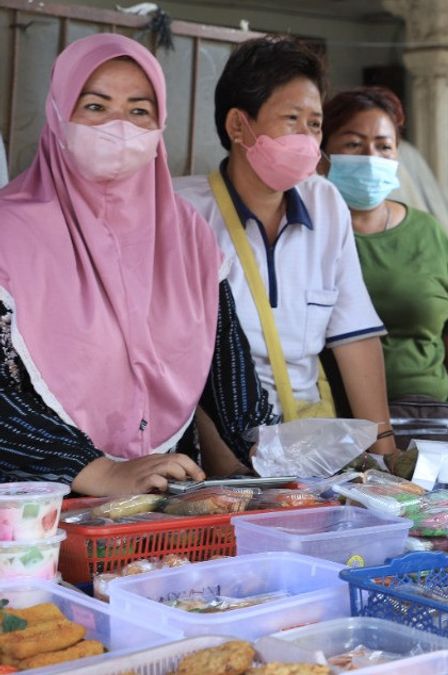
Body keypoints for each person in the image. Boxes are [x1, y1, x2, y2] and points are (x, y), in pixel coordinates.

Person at [0, 34, 272, 494]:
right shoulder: (9, 231)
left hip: (164, 504)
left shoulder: (187, 236)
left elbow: (229, 381)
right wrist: (98, 471)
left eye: (139, 110)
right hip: (35, 519)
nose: (119, 126)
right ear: (58, 114)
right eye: (95, 107)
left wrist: (278, 457)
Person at [175, 36, 397, 459]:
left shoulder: (325, 202)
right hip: (223, 447)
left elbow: (354, 338)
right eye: (291, 119)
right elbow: (181, 364)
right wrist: (232, 468)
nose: (307, 138)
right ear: (238, 126)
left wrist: (385, 454)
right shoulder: (183, 212)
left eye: (314, 124)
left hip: (312, 443)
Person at [321, 86, 448, 444]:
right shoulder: (309, 235)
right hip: (336, 433)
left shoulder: (428, 232)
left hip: (432, 424)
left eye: (384, 146)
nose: (370, 157)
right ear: (324, 153)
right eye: (353, 144)